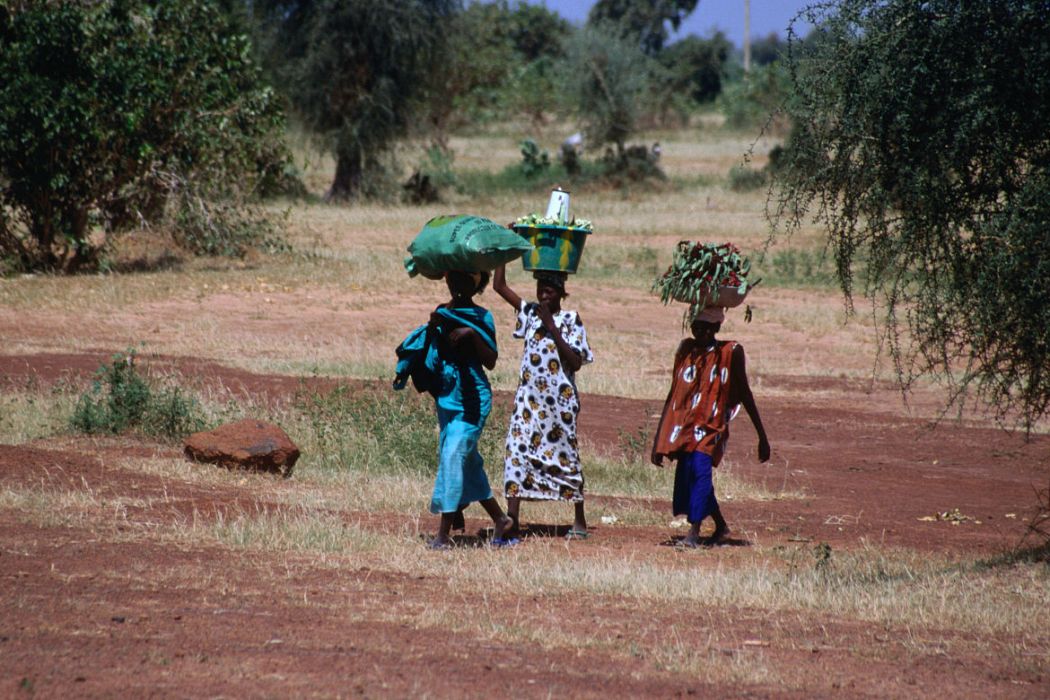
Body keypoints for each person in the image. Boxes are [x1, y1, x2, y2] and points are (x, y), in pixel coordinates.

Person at [394, 270, 516, 549]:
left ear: (476, 285)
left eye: (463, 281)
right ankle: (501, 520)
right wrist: (435, 326)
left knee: (452, 457)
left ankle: (442, 535)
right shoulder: (442, 312)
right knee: (467, 461)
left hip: (473, 400)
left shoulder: (481, 317)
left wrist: (471, 334)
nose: (456, 286)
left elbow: (491, 360)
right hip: (447, 397)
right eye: (453, 281)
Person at [650, 306, 771, 547]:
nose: (700, 331)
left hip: (712, 425)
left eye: (707, 326)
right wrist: (658, 440)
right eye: (696, 325)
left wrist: (762, 436)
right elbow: (673, 393)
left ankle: (693, 532)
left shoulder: (730, 352)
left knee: (700, 471)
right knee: (689, 474)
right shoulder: (686, 350)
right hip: (685, 426)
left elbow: (745, 393)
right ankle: (722, 527)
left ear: (717, 327)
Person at [492, 263, 594, 539]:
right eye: (540, 290)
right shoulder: (529, 314)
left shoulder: (571, 320)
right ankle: (512, 519)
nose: (543, 295)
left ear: (561, 293)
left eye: (549, 291)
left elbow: (575, 361)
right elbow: (499, 286)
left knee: (565, 455)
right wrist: (504, 252)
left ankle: (579, 520)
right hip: (528, 402)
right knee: (516, 453)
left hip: (559, 405)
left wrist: (552, 326)